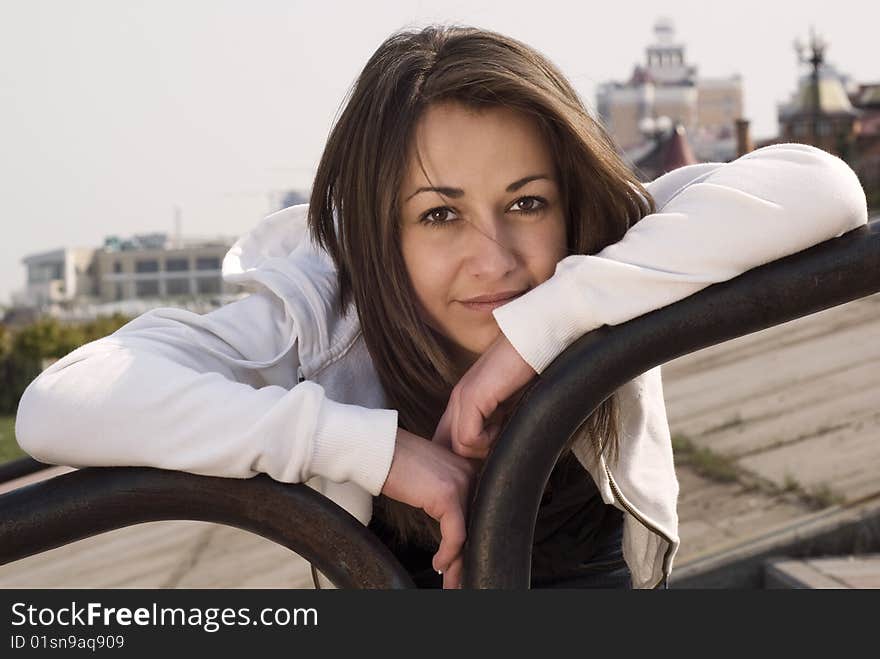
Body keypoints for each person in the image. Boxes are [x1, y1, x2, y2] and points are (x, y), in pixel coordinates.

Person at [15, 25, 867, 590]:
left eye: (527, 202)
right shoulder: (327, 307)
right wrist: (376, 452)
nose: (492, 258)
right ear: (380, 233)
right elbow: (61, 401)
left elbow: (822, 186)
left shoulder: (604, 253)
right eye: (440, 214)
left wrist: (540, 333)